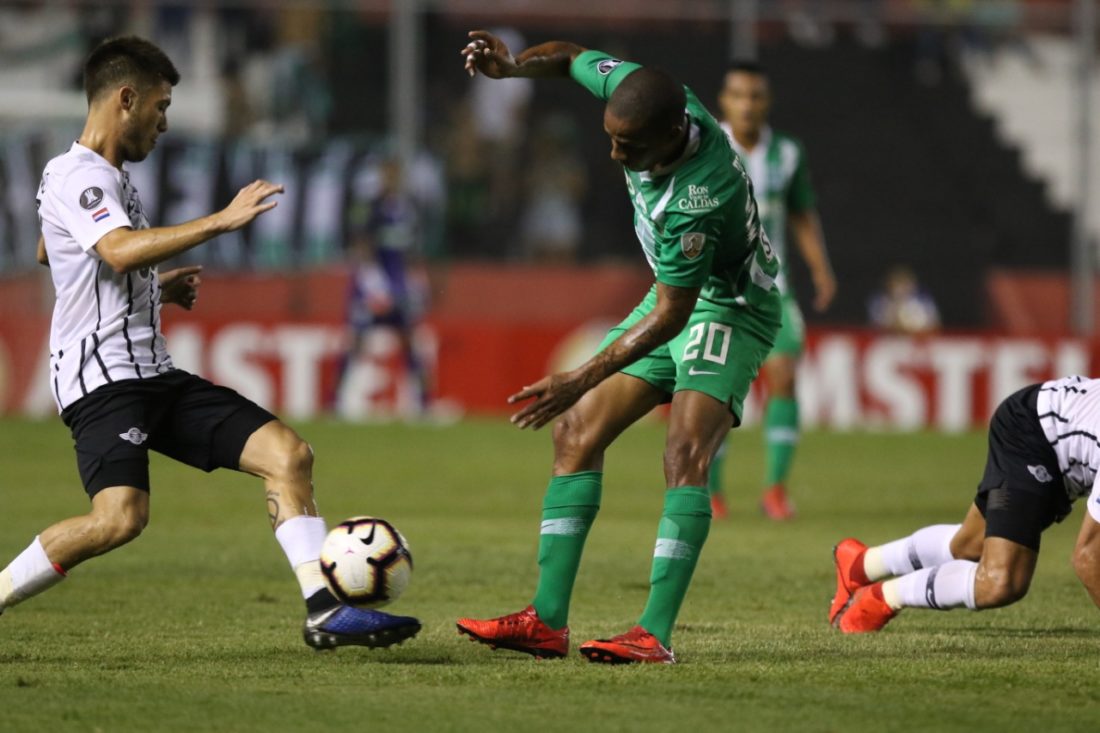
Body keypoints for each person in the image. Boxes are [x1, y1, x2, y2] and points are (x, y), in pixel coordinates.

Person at [0, 36, 420, 651]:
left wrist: (152, 289)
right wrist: (221, 220)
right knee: (119, 519)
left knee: (288, 454)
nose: (165, 122)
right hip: (103, 381)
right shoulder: (76, 174)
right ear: (125, 98)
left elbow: (51, 250)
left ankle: (325, 611)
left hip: (152, 371)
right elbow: (112, 249)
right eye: (161, 106)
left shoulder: (102, 179)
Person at [454, 31, 781, 664]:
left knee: (685, 450)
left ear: (668, 135)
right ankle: (546, 621)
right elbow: (571, 55)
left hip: (729, 306)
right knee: (576, 433)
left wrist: (580, 373)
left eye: (627, 145)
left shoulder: (698, 196)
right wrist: (514, 68)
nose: (612, 152)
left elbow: (670, 317)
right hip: (672, 296)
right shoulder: (646, 96)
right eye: (610, 136)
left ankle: (653, 635)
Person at [830, 375, 1100, 633]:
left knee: (971, 544)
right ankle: (880, 598)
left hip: (1053, 427)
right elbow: (1089, 558)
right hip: (1034, 433)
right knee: (1000, 581)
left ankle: (861, 564)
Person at [709, 60, 836, 521]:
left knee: (783, 376)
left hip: (773, 289)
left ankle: (775, 491)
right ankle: (712, 492)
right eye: (738, 95)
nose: (747, 104)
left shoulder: (787, 153)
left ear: (767, 102)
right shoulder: (707, 144)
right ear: (724, 101)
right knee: (715, 391)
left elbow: (802, 213)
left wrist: (821, 269)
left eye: (755, 96)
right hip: (717, 289)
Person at [331, 156, 431, 416]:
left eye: (396, 174)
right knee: (357, 341)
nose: (392, 180)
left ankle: (424, 404)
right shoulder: (370, 208)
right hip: (371, 285)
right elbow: (361, 248)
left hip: (400, 287)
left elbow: (411, 252)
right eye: (388, 174)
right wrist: (374, 285)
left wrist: (417, 281)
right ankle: (335, 402)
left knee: (410, 340)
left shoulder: (408, 209)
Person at [867, 265, 940, 335]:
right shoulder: (879, 302)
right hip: (888, 342)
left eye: (904, 283)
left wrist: (910, 329)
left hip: (916, 341)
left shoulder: (923, 302)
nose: (900, 288)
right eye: (896, 283)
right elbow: (875, 326)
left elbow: (934, 325)